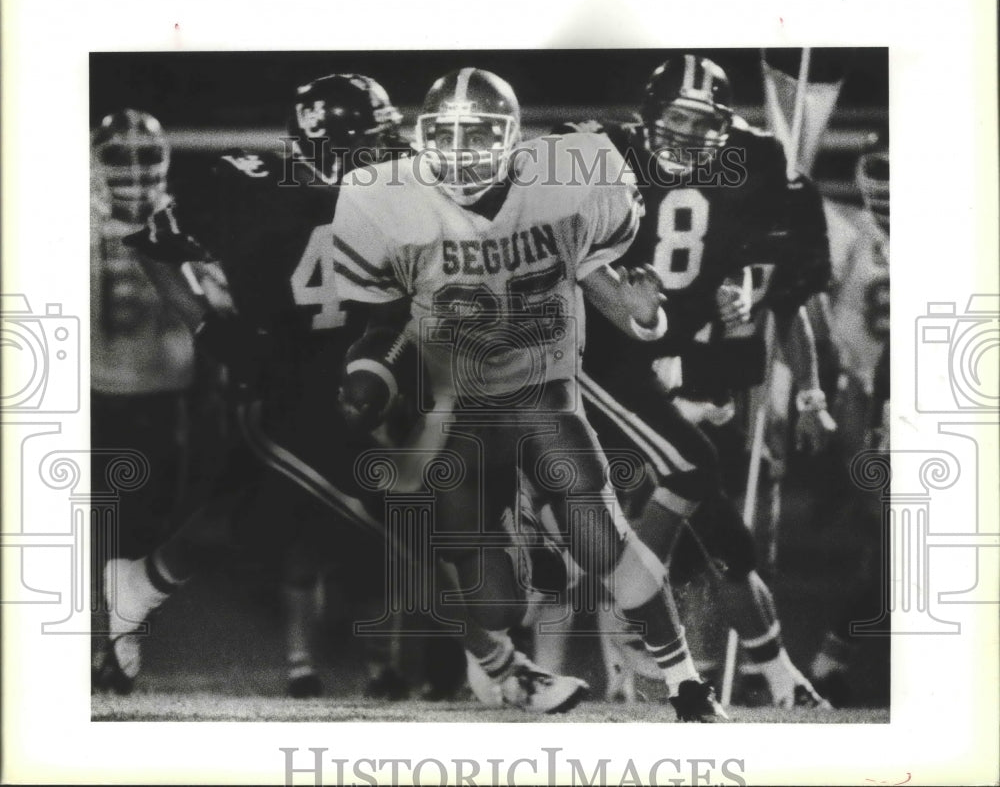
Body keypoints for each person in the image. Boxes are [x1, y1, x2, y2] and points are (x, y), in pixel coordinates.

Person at [331, 66, 729, 721]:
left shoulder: (574, 181)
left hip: (544, 391)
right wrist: (370, 373)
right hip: (458, 407)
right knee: (497, 602)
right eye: (447, 137)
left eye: (478, 136)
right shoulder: (385, 199)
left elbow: (610, 285)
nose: (461, 153)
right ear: (423, 138)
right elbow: (382, 321)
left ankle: (687, 684)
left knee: (603, 541)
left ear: (512, 139)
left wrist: (647, 318)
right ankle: (511, 611)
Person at [94, 74, 414, 699]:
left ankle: (139, 586)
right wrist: (207, 327)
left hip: (365, 368)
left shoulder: (391, 195)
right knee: (383, 516)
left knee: (247, 516)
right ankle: (501, 660)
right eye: (371, 142)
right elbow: (155, 247)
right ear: (328, 144)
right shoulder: (247, 185)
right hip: (285, 372)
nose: (386, 154)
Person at [549, 55, 834, 707]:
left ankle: (779, 676)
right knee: (617, 512)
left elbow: (779, 288)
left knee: (728, 543)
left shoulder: (758, 165)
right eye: (674, 116)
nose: (684, 132)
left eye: (700, 120)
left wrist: (749, 294)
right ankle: (649, 654)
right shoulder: (598, 150)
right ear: (648, 117)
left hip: (697, 369)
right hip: (607, 362)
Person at [90, 109, 200, 560]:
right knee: (102, 521)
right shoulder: (66, 223)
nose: (134, 167)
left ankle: (131, 612)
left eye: (146, 153)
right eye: (119, 153)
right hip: (98, 389)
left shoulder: (178, 220)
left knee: (156, 513)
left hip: (166, 386)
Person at [807, 133, 890, 705]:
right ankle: (829, 665)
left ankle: (831, 663)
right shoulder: (849, 232)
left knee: (898, 554)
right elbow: (807, 300)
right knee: (893, 545)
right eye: (880, 167)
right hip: (871, 400)